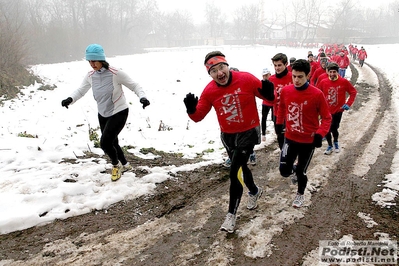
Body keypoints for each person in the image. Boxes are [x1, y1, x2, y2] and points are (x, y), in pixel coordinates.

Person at [183, 51, 275, 233]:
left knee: (234, 171)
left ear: (227, 65)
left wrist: (269, 93)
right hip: (228, 136)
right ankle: (255, 191)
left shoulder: (246, 79)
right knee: (241, 168)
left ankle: (231, 215)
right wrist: (191, 109)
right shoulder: (209, 91)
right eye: (213, 71)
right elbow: (198, 116)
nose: (219, 73)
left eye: (221, 67)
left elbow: (269, 98)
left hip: (248, 131)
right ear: (209, 74)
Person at [61, 44, 150, 181]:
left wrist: (142, 97)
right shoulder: (90, 76)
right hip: (102, 113)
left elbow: (135, 85)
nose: (92, 64)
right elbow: (81, 90)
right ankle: (125, 164)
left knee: (105, 143)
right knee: (112, 142)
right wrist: (70, 99)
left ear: (101, 60)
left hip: (119, 111)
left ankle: (116, 165)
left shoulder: (116, 73)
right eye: (89, 61)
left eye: (94, 61)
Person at [276, 59, 331, 208]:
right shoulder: (286, 91)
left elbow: (327, 117)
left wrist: (320, 134)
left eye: (300, 76)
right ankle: (293, 170)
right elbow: (281, 108)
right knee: (284, 171)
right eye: (294, 76)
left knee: (301, 171)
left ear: (308, 75)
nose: (296, 80)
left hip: (308, 141)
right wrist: (278, 124)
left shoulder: (317, 94)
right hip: (290, 138)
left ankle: (300, 194)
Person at [317, 62, 357, 155]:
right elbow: (317, 94)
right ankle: (330, 145)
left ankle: (336, 142)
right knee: (326, 129)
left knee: (334, 128)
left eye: (334, 72)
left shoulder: (343, 82)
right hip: (326, 111)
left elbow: (353, 92)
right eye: (330, 72)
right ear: (328, 72)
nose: (332, 74)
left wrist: (348, 103)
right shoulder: (323, 82)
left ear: (337, 72)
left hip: (338, 110)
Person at [269, 53, 292, 150]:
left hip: (292, 113)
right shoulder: (271, 79)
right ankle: (284, 156)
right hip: (277, 113)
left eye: (279, 65)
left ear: (286, 64)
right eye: (275, 65)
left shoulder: (292, 77)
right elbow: (268, 99)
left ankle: (292, 158)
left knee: (291, 138)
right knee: (280, 137)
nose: (277, 68)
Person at [261, 67, 273, 142]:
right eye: (264, 75)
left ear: (270, 74)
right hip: (265, 103)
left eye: (267, 75)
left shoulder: (273, 81)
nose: (265, 77)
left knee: (274, 117)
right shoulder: (261, 82)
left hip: (273, 102)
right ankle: (263, 134)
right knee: (264, 118)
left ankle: (276, 129)